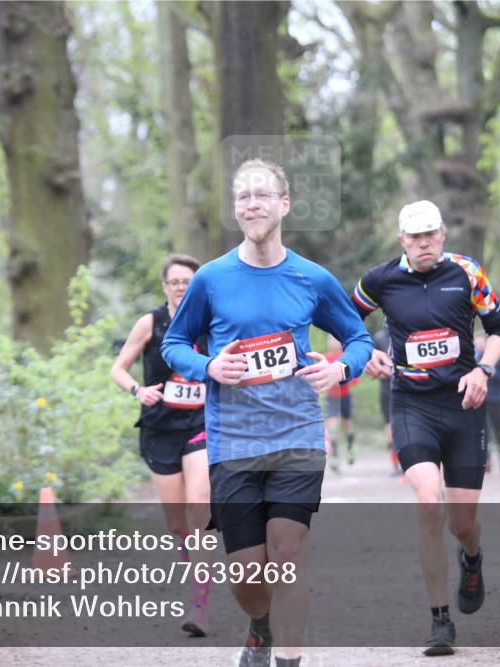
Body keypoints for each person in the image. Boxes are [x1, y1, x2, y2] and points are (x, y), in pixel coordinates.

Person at [162, 159, 373, 667]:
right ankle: (259, 626)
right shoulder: (211, 279)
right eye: (243, 197)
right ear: (236, 210)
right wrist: (209, 364)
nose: (251, 204)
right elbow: (174, 344)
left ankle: (288, 661)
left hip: (297, 436)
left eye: (262, 195)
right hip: (233, 442)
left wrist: (340, 369)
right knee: (249, 579)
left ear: (284, 204)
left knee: (287, 557)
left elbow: (359, 338)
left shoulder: (310, 278)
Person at [352, 200, 500, 656]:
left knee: (462, 524)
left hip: (463, 405)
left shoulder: (467, 272)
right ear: (402, 240)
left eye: (431, 235)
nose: (424, 244)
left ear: (442, 234)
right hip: (411, 406)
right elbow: (344, 321)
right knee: (427, 502)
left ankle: (472, 558)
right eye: (415, 237)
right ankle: (440, 620)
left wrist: (483, 370)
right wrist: (363, 354)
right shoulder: (379, 280)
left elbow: (499, 327)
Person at [110, 254, 212, 636]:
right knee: (176, 523)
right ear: (164, 285)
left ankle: (199, 604)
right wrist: (138, 390)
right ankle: (194, 572)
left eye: (188, 281)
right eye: (175, 281)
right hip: (159, 428)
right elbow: (118, 369)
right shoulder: (150, 323)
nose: (182, 287)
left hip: (201, 424)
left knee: (199, 508)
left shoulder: (211, 321)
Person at [322, 335, 360, 471]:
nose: (333, 342)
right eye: (330, 339)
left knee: (348, 426)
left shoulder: (345, 357)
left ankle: (350, 449)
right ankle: (335, 458)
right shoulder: (324, 358)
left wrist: (341, 379)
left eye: (336, 339)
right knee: (332, 428)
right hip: (331, 398)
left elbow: (354, 378)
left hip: (345, 397)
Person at [475, 333, 500, 472]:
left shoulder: (498, 359)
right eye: (476, 343)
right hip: (479, 401)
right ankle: (485, 462)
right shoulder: (474, 359)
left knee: (499, 430)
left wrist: (494, 373)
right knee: (482, 432)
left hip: (496, 400)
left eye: (480, 342)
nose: (478, 345)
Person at [372, 326, 401, 474]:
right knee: (389, 424)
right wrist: (384, 372)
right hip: (386, 387)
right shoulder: (379, 337)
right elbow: (373, 364)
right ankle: (395, 463)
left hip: (405, 384)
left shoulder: (404, 328)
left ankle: (405, 462)